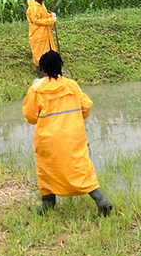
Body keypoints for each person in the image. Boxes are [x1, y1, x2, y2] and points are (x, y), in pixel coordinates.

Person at [22, 50, 112, 217]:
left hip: (48, 140)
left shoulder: (37, 89)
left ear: (42, 70)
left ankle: (47, 205)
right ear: (60, 67)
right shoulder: (71, 85)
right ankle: (102, 201)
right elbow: (86, 105)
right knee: (80, 168)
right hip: (73, 137)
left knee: (47, 170)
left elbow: (30, 116)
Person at [26, 0, 56, 67]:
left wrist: (50, 16)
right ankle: (41, 69)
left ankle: (49, 67)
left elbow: (44, 15)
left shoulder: (41, 4)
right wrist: (51, 20)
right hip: (38, 33)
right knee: (40, 51)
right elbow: (36, 20)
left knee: (47, 50)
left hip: (45, 32)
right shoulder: (33, 7)